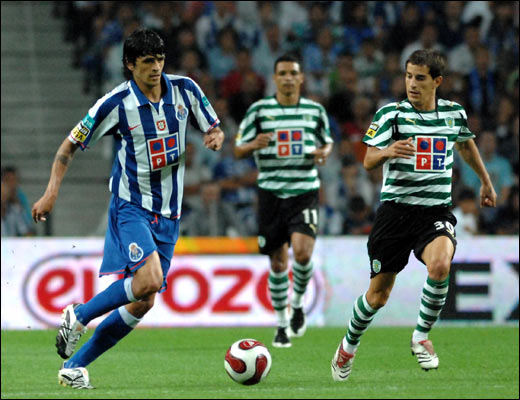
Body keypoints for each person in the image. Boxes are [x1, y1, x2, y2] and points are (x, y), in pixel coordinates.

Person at [31, 29, 224, 389]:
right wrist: (51, 193)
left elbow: (213, 125)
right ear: (130, 64)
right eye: (148, 61)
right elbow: (68, 146)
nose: (156, 67)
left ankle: (74, 366)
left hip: (170, 214)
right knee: (150, 280)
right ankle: (79, 314)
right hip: (131, 207)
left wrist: (215, 135)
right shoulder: (115, 104)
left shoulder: (185, 90)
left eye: (160, 59)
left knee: (143, 301)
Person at [331, 49, 496, 381]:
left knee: (440, 265)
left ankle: (421, 336)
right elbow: (368, 160)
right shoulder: (391, 115)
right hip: (395, 213)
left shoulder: (453, 114)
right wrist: (388, 151)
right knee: (378, 296)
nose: (412, 84)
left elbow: (465, 145)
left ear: (437, 81)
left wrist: (485, 181)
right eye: (408, 76)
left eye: (420, 78)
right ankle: (348, 346)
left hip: (434, 212)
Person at [234, 54, 333, 348]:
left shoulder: (315, 111)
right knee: (278, 263)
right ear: (274, 78)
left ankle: (298, 303)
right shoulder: (259, 110)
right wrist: (253, 144)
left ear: (301, 78)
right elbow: (238, 149)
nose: (288, 78)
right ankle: (281, 322)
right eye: (283, 73)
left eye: (293, 73)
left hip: (304, 191)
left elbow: (327, 141)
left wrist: (323, 152)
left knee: (302, 253)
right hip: (271, 194)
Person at [1, 166, 35, 237]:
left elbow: (28, 230)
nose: (11, 184)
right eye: (7, 180)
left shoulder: (18, 203)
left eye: (13, 180)